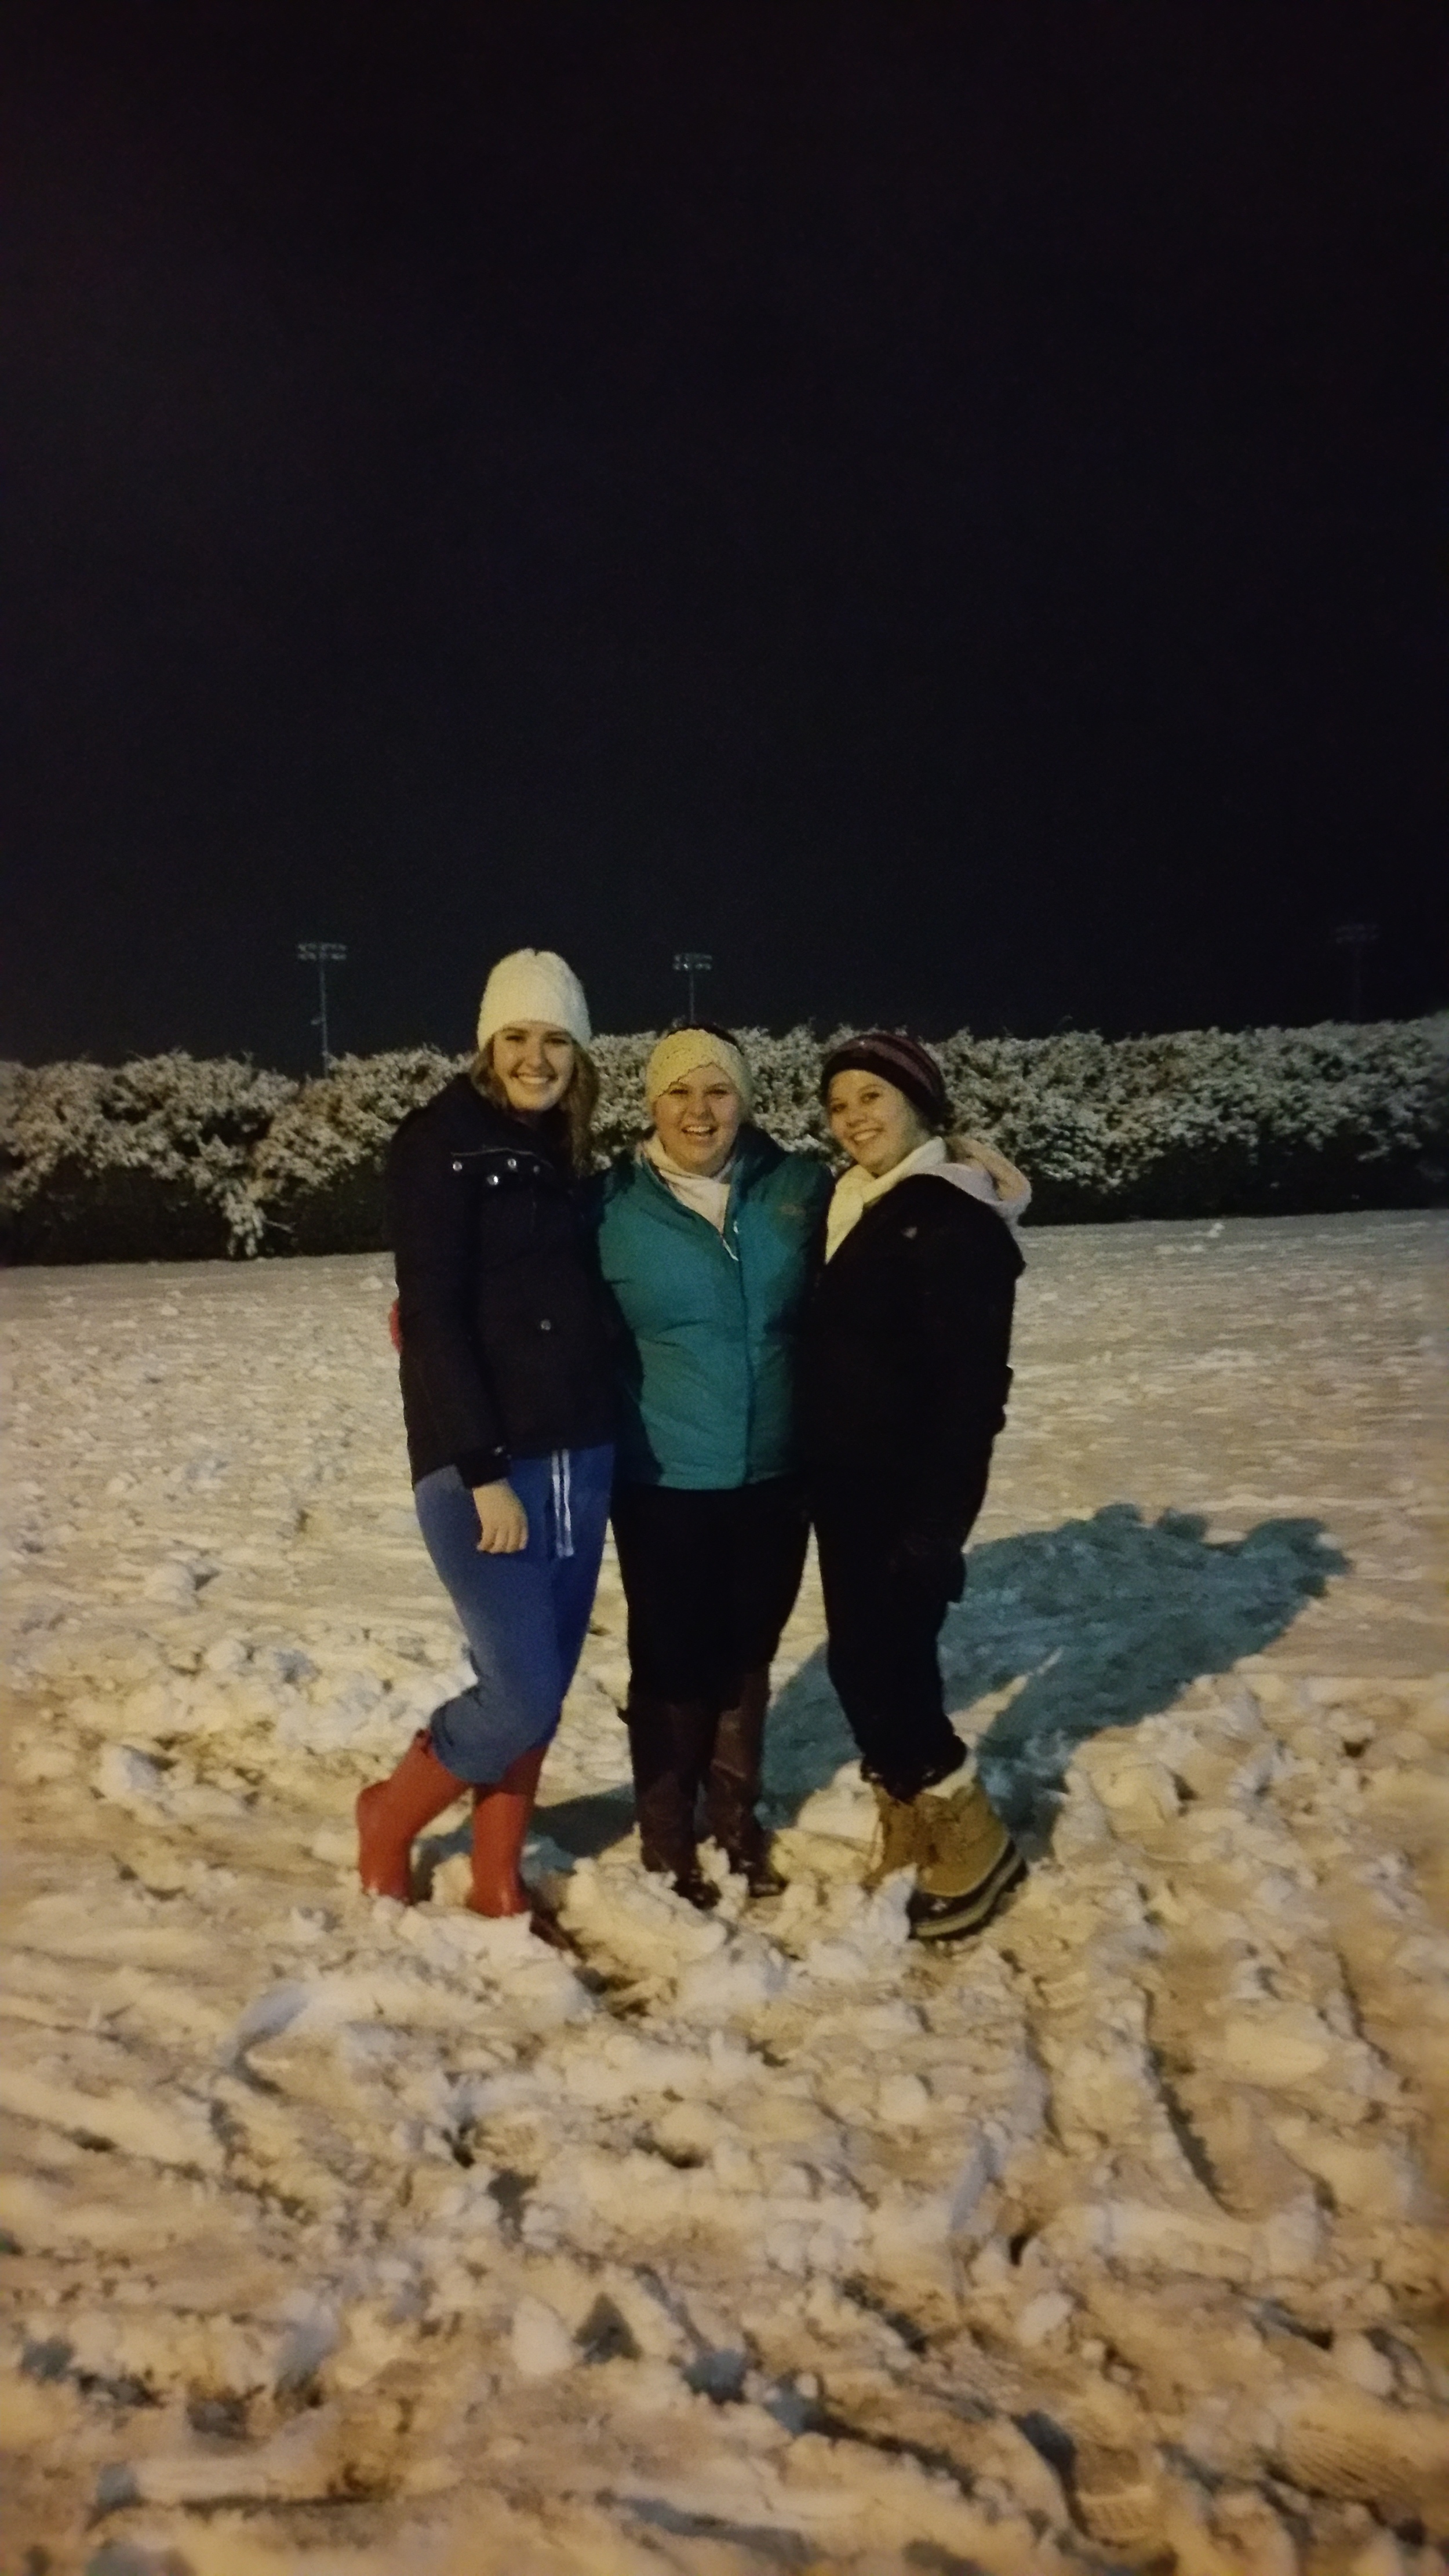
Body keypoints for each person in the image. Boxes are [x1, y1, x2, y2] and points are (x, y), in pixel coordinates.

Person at [356, 949, 616, 1923]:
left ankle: (497, 1874)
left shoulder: (570, 1151)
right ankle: (389, 1816)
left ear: (579, 1054)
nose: (535, 1057)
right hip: (487, 1466)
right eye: (516, 1037)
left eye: (555, 1039)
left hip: (580, 1453)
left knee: (542, 1684)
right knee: (518, 1688)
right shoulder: (439, 1142)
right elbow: (432, 1317)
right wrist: (481, 1471)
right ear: (486, 1044)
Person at [593, 1027, 832, 1906]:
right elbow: (525, 1283)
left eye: (719, 1092)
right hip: (662, 1477)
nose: (700, 1111)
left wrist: (981, 1184)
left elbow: (898, 1218)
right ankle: (665, 1835)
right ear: (651, 1104)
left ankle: (733, 1818)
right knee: (669, 1654)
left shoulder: (799, 1188)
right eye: (679, 1093)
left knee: (748, 1648)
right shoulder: (610, 1204)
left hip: (776, 1472)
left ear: (745, 1100)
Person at [802, 1029, 1030, 1942]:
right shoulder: (860, 1200)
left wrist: (937, 1528)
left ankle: (973, 1844)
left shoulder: (950, 1217)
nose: (854, 1117)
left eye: (873, 1097)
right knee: (866, 1662)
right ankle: (909, 1813)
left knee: (884, 1666)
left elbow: (971, 1396)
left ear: (921, 1105)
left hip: (904, 1493)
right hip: (845, 1484)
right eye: (840, 1103)